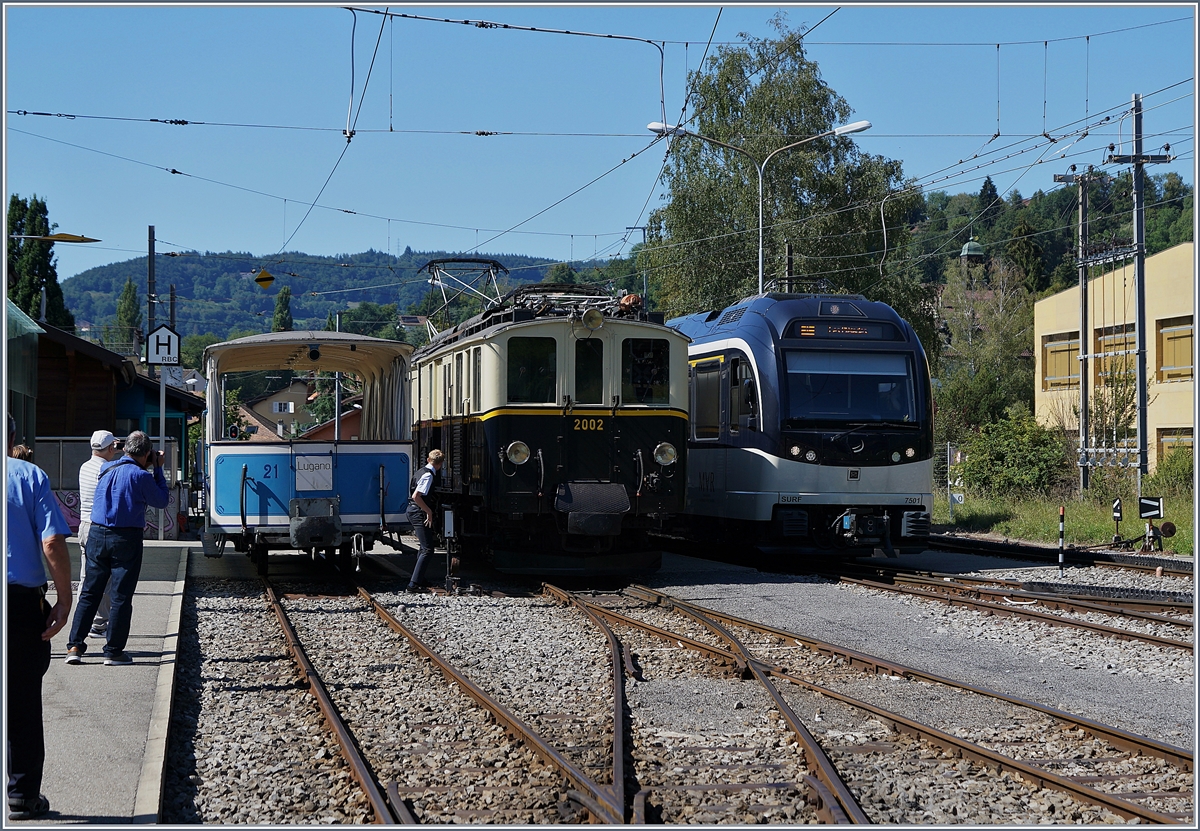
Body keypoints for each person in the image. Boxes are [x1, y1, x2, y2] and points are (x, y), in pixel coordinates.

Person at [6, 414, 73, 821]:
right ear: (12, 436)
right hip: (17, 605)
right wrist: (64, 599)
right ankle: (21, 796)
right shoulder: (28, 476)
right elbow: (51, 542)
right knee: (21, 700)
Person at [64, 431, 169, 666]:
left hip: (97, 534)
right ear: (147, 453)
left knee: (90, 592)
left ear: (125, 449)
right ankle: (113, 651)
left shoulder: (106, 468)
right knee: (121, 595)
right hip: (126, 538)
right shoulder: (141, 476)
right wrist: (158, 469)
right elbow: (161, 500)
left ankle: (74, 646)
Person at [76, 430, 121, 638]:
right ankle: (99, 623)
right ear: (111, 448)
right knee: (105, 578)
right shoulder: (106, 469)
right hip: (99, 526)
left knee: (86, 576)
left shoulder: (85, 466)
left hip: (83, 525)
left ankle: (84, 621)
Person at [405, 449, 444, 593]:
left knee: (423, 547)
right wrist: (429, 511)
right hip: (418, 512)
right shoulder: (428, 475)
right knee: (427, 549)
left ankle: (419, 578)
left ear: (428, 459)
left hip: (412, 510)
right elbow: (416, 496)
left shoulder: (420, 471)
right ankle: (413, 585)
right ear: (440, 465)